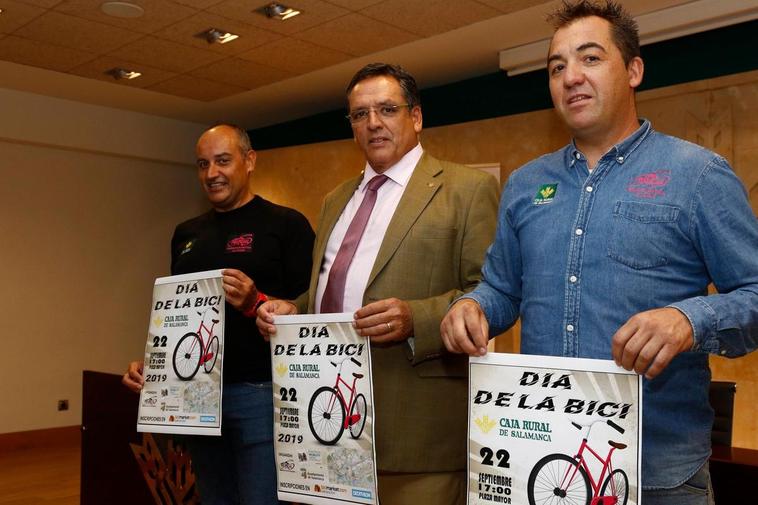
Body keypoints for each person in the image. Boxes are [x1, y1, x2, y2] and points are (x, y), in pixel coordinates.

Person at [441, 1, 758, 504]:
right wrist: (473, 306)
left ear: (633, 70)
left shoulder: (698, 175)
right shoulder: (527, 185)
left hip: (658, 471)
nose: (571, 77)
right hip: (544, 463)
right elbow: (502, 288)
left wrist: (688, 320)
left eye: (590, 58)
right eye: (556, 66)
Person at [256, 63, 499, 505]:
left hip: (415, 433)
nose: (373, 123)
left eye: (387, 109)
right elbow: (335, 287)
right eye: (359, 114)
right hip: (328, 423)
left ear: (416, 117)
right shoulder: (335, 199)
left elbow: (488, 290)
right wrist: (296, 308)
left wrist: (417, 318)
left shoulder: (467, 189)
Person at [122, 124, 315, 505]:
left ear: (250, 161)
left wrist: (256, 301)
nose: (212, 174)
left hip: (261, 395)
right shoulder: (186, 233)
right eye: (203, 164)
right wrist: (158, 368)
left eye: (223, 161)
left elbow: (310, 310)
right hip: (196, 400)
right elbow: (180, 317)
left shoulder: (287, 225)